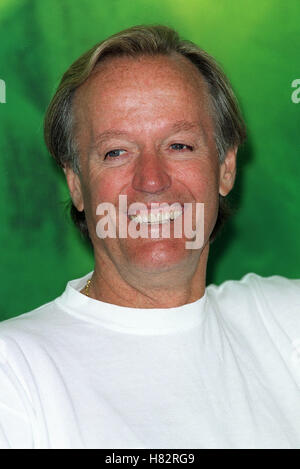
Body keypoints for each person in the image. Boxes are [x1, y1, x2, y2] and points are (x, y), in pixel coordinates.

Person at [0, 25, 299, 450]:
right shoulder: (14, 373)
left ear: (226, 167)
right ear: (77, 185)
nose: (152, 181)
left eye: (179, 145)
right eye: (116, 151)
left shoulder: (285, 324)